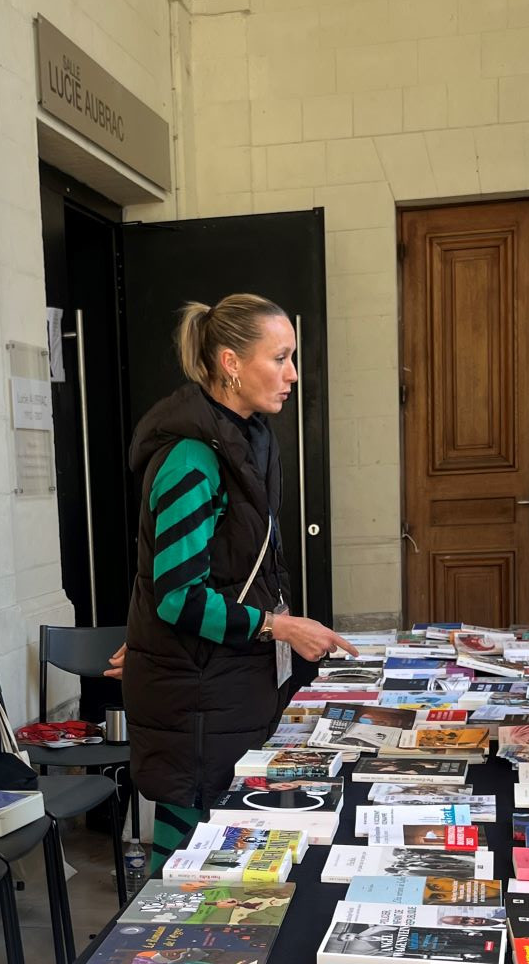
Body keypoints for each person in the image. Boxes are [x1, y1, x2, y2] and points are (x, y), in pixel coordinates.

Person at [107, 295, 356, 875]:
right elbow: (177, 595)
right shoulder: (192, 458)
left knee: (229, 869)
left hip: (225, 688)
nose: (294, 374)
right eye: (281, 358)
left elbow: (236, 570)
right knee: (185, 876)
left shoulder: (245, 438)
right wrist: (278, 626)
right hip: (195, 705)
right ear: (231, 363)